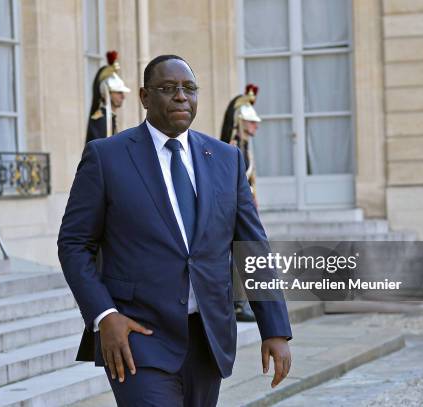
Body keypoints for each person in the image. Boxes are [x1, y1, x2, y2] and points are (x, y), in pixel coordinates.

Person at [58, 55, 291, 406]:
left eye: (189, 89)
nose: (181, 96)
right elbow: (74, 244)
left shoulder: (227, 160)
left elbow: (252, 247)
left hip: (207, 336)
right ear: (144, 97)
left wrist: (273, 327)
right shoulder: (107, 157)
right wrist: (104, 315)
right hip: (137, 336)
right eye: (168, 89)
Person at [220, 84, 261, 322]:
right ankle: (236, 303)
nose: (255, 126)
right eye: (250, 121)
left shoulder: (245, 146)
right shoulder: (231, 147)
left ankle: (240, 300)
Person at [85, 51, 131, 143]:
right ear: (107, 93)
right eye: (118, 92)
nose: (123, 96)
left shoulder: (110, 117)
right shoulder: (100, 120)